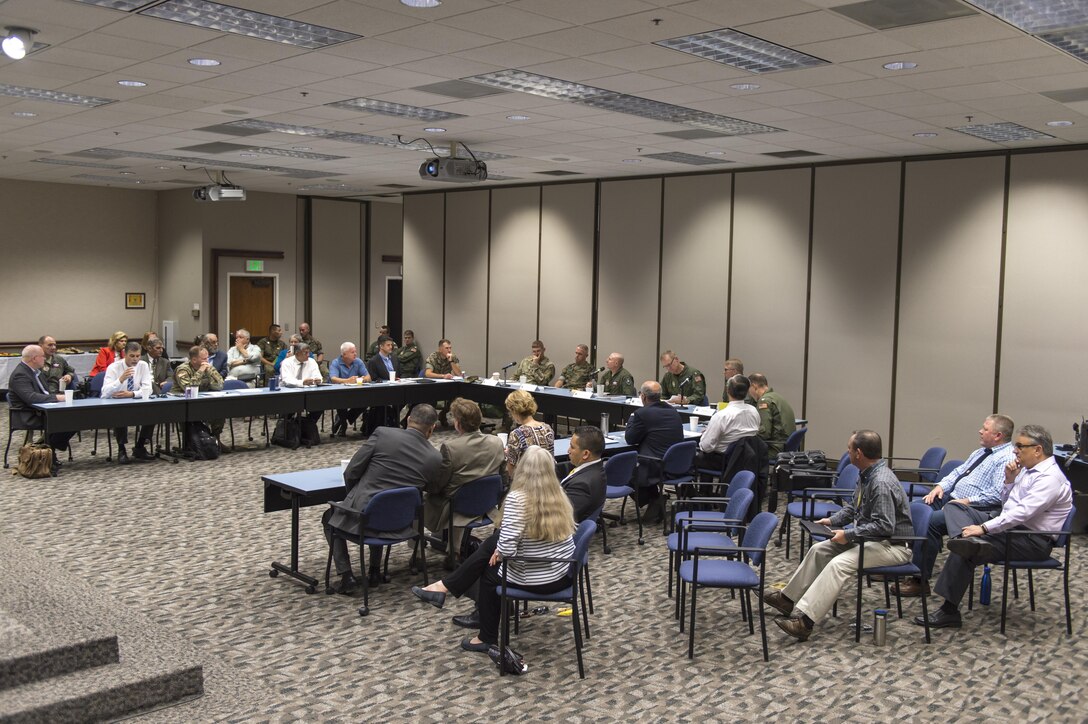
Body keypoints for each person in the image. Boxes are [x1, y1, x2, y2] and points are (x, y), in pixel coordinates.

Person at [410, 446, 576, 654]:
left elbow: (507, 548)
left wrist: (500, 550)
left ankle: (485, 637)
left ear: (522, 469)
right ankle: (444, 587)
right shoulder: (558, 494)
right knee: (492, 544)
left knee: (488, 573)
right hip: (561, 572)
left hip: (536, 579)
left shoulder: (519, 500)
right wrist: (499, 548)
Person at [914, 424, 1073, 631]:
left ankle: (949, 611)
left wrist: (984, 528)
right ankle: (968, 541)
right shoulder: (1027, 470)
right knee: (954, 507)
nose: (1015, 450)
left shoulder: (1050, 478)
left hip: (1031, 540)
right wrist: (1009, 481)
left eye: (1020, 446)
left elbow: (1021, 513)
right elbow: (1007, 505)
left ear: (1038, 450)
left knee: (966, 551)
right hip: (1011, 527)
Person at [765, 430, 913, 641]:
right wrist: (832, 521)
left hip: (894, 547)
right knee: (819, 549)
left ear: (859, 453)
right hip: (873, 540)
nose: (847, 452)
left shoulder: (880, 483)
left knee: (839, 564)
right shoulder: (867, 474)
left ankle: (805, 622)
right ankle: (786, 599)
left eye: (849, 448)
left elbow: (884, 526)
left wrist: (849, 535)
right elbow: (854, 508)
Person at [893, 414, 1015, 597]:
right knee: (907, 512)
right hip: (951, 497)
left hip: (973, 509)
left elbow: (997, 495)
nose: (980, 431)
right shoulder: (981, 452)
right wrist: (940, 486)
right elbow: (958, 472)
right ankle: (895, 565)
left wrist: (966, 501)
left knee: (930, 523)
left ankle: (919, 580)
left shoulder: (1006, 458)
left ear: (998, 435)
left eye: (985, 429)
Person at [323, 404, 442, 592]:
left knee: (330, 517)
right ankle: (374, 571)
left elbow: (352, 472)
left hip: (366, 519)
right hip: (402, 524)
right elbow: (434, 489)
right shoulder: (435, 457)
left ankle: (346, 576)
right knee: (379, 509)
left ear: (408, 419)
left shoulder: (383, 434)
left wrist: (353, 497)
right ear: (432, 429)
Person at [423, 398, 505, 567]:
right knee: (464, 491)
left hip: (457, 507)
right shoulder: (496, 442)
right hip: (486, 504)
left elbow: (439, 485)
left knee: (415, 498)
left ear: (457, 423)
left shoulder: (451, 447)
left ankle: (417, 554)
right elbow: (503, 478)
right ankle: (454, 551)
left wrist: (425, 486)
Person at [625, 380, 684, 523]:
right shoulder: (673, 411)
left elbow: (630, 439)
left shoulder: (641, 414)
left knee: (624, 472)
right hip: (676, 464)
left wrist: (632, 418)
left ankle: (654, 498)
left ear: (643, 397)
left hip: (655, 465)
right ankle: (656, 499)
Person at [7, 344, 76, 466]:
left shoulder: (36, 372)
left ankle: (45, 449)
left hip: (43, 410)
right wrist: (57, 398)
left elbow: (46, 392)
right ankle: (47, 450)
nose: (45, 359)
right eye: (42, 357)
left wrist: (57, 397)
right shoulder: (20, 374)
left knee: (77, 417)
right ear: (34, 358)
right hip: (28, 414)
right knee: (70, 420)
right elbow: (31, 398)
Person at [101, 341, 154, 464]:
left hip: (135, 401)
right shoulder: (114, 367)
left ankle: (140, 447)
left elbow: (148, 389)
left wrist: (132, 394)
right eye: (132, 356)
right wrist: (120, 380)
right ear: (125, 354)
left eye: (137, 356)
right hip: (117, 404)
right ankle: (121, 449)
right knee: (121, 414)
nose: (135, 359)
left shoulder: (143, 365)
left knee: (153, 412)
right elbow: (104, 392)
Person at [696, 374, 760, 472]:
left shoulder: (721, 416)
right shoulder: (754, 411)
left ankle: (701, 487)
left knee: (693, 457)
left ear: (728, 391)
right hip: (747, 459)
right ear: (747, 392)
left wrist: (706, 434)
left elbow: (706, 447)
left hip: (723, 460)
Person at [173, 345, 225, 440]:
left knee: (219, 412)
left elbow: (219, 386)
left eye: (207, 358)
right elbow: (188, 388)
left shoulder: (208, 367)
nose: (207, 361)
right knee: (193, 417)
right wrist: (200, 371)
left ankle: (214, 440)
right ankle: (193, 444)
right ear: (194, 360)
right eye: (204, 359)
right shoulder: (183, 369)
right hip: (183, 403)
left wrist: (210, 373)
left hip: (201, 400)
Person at [503, 389, 554, 479]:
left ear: (514, 411)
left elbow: (511, 467)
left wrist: (508, 454)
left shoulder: (516, 434)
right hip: (547, 480)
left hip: (526, 483)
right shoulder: (548, 428)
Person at [562, 425, 607, 523]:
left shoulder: (582, 485)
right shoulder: (597, 469)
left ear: (586, 454)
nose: (568, 451)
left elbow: (561, 516)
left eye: (572, 447)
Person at [749, 373, 797, 457]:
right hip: (785, 446)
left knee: (743, 452)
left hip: (775, 449)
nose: (749, 393)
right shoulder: (777, 397)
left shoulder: (764, 401)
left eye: (749, 389)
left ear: (754, 386)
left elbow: (764, 433)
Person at [328, 342, 370, 436]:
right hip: (339, 394)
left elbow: (368, 377)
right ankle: (343, 424)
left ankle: (343, 419)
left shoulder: (358, 361)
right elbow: (333, 379)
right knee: (341, 402)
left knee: (367, 400)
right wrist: (347, 380)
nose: (355, 354)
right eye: (352, 352)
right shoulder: (336, 362)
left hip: (355, 393)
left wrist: (362, 379)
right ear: (344, 354)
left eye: (355, 351)